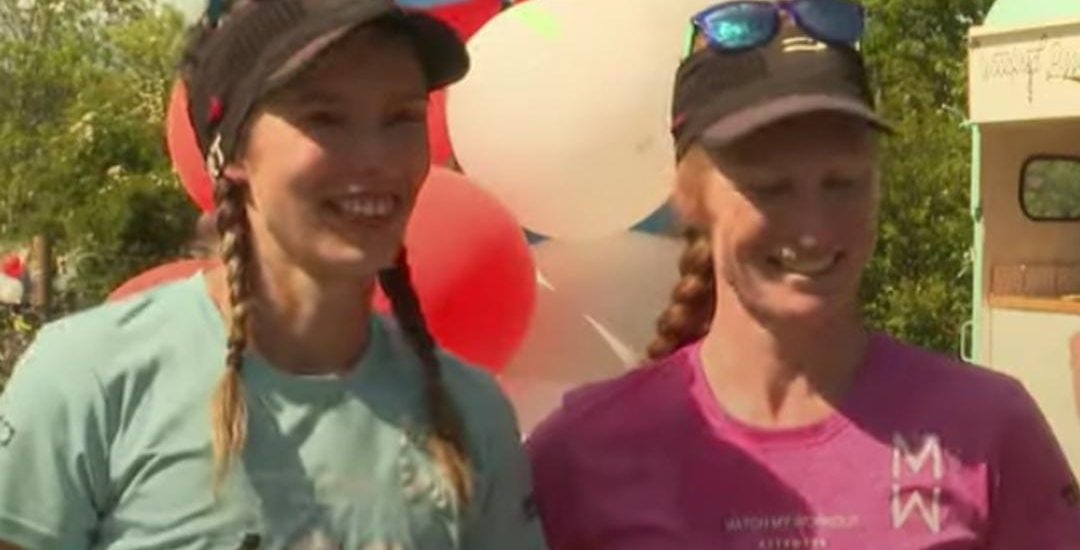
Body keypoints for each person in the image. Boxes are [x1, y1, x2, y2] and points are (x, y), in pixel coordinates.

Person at [527, 1, 1080, 548]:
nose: (813, 229)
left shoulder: (987, 428)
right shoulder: (582, 453)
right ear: (691, 197)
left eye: (842, 182)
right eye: (769, 188)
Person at [0, 1, 544, 548]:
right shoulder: (89, 378)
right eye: (325, 118)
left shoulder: (471, 413)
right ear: (233, 154)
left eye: (402, 117)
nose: (377, 159)